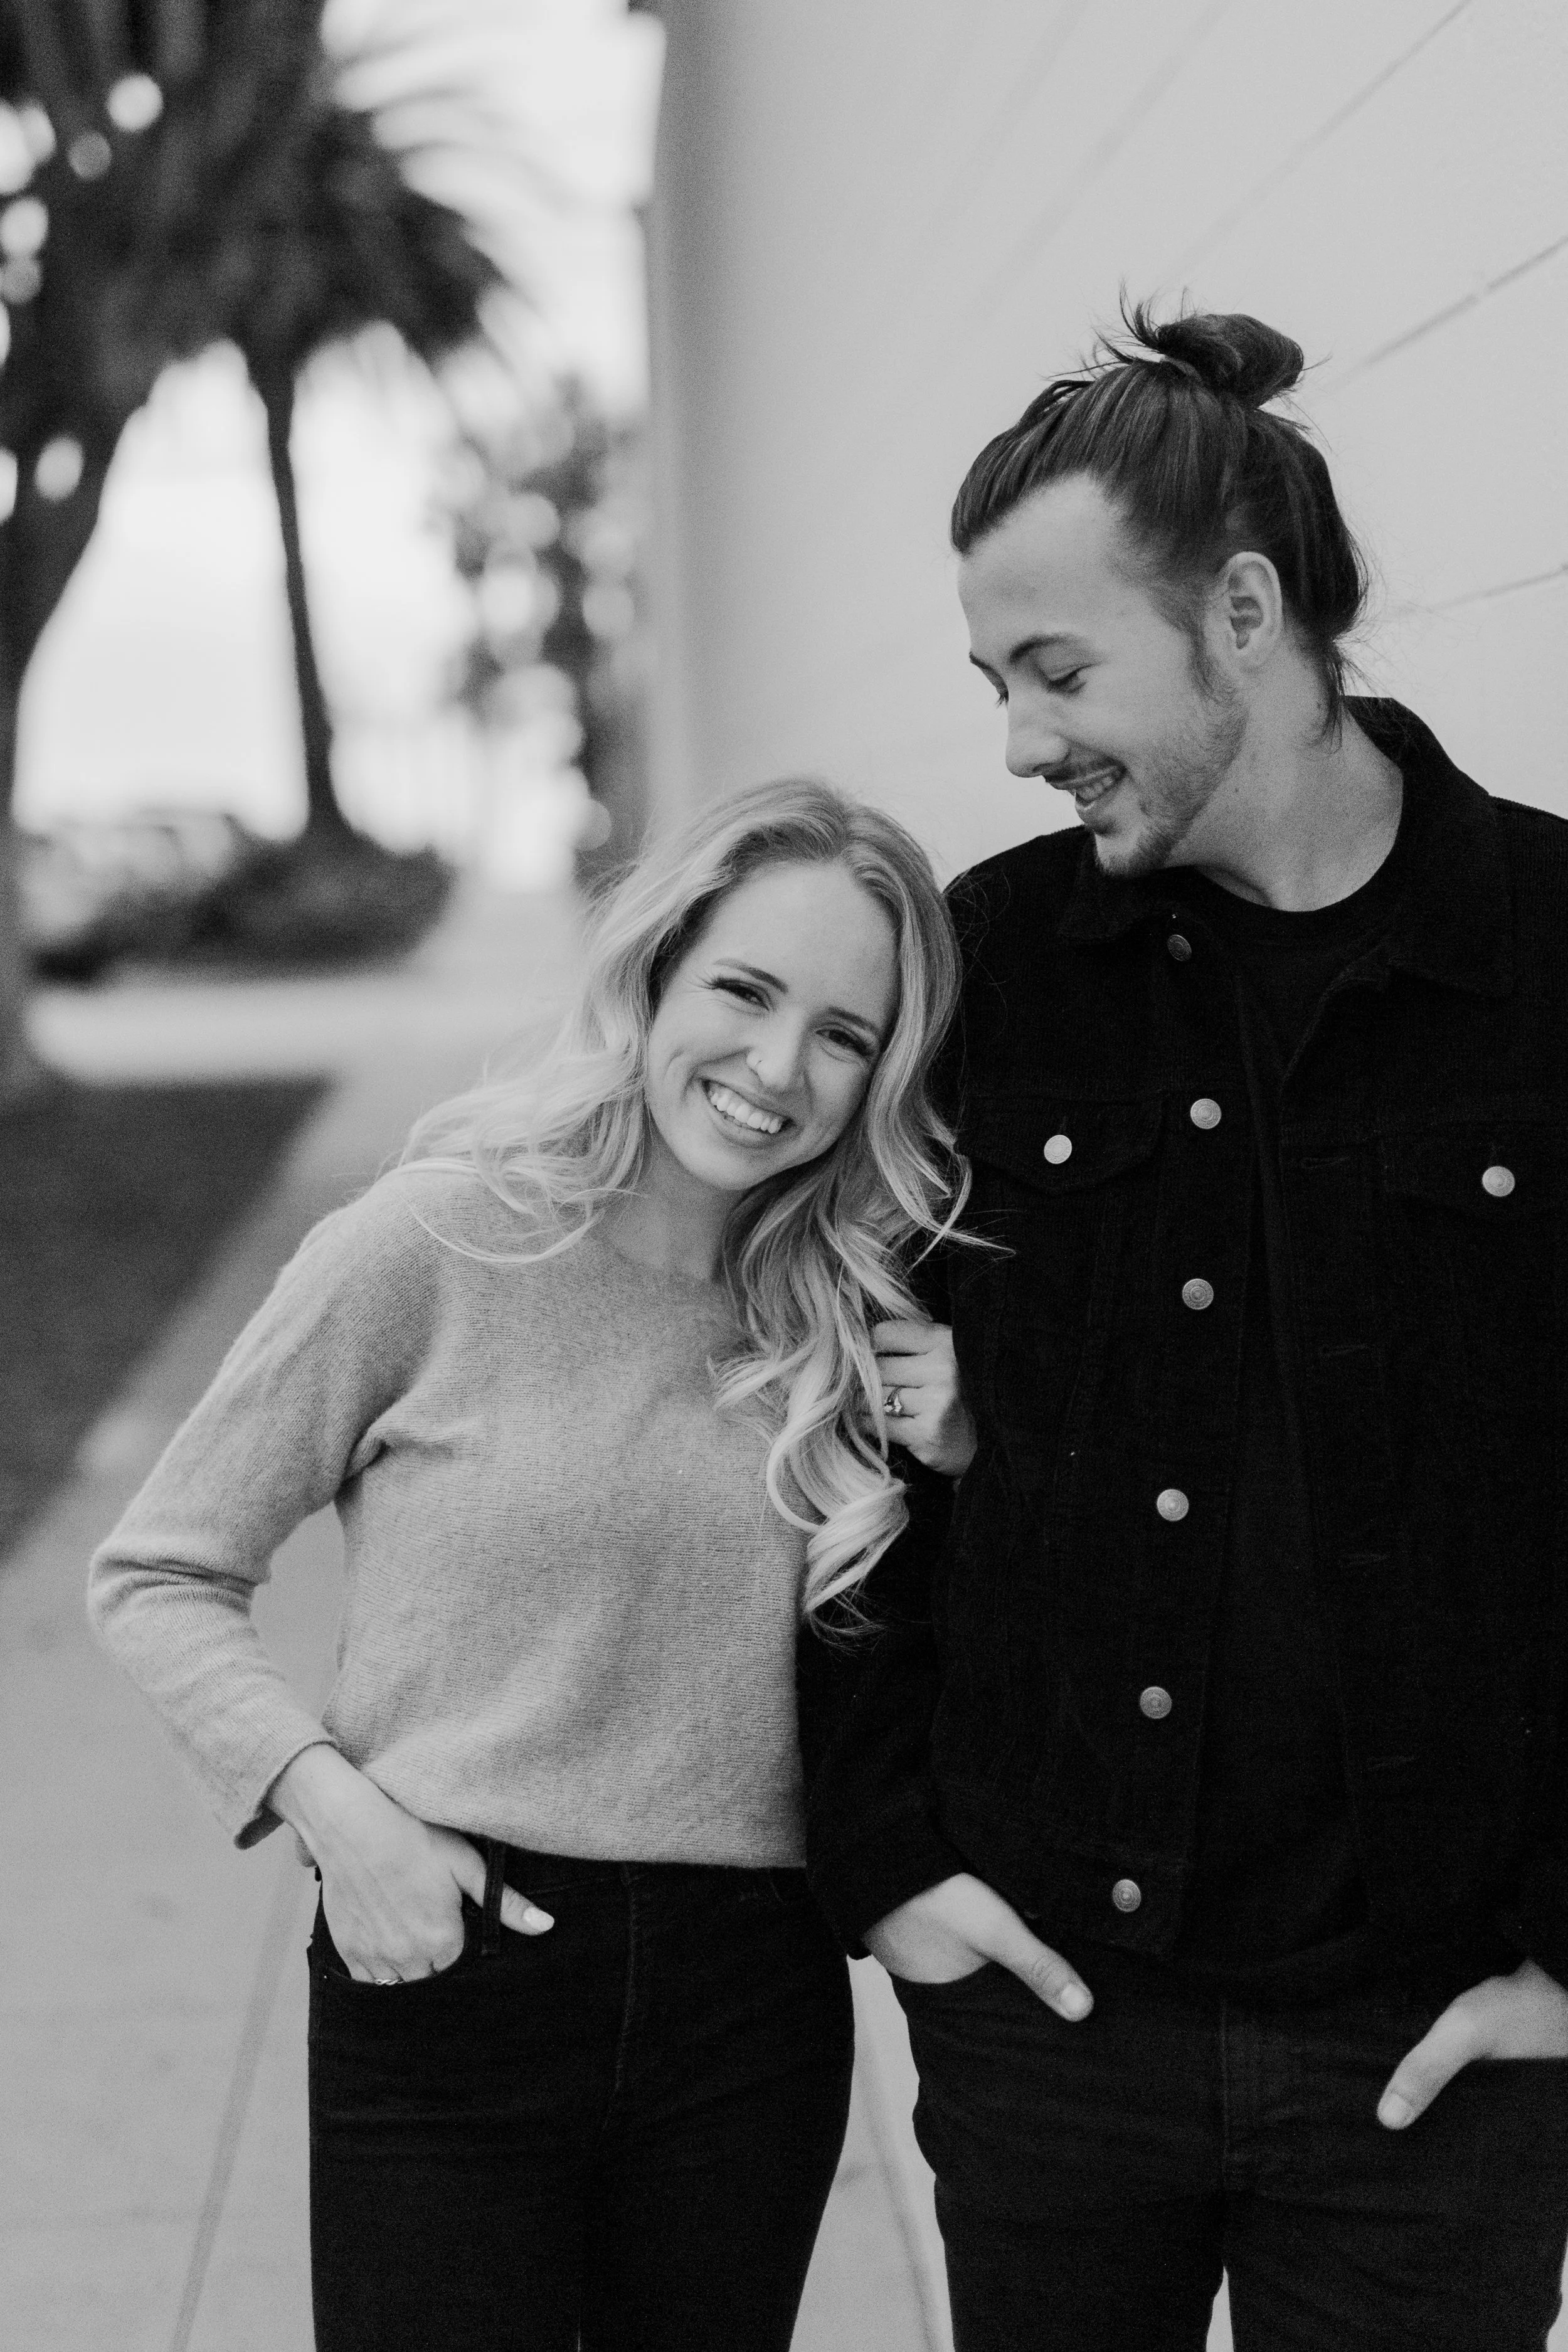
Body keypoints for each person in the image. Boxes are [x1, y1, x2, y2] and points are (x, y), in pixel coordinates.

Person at [800, 304, 1568, 2350]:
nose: (1020, 738)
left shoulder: (1555, 965)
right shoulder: (995, 966)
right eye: (995, 680)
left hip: (1441, 2068)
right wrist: (887, 1864)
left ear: (1243, 612)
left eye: (1057, 671)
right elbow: (840, 1439)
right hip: (1056, 2035)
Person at [88, 780, 975, 2352]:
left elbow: (946, 1657)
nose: (776, 1069)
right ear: (654, 971)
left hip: (747, 2010)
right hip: (451, 1968)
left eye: (844, 1034)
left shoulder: (845, 1319)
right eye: (745, 991)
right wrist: (334, 1810)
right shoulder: (430, 1244)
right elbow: (158, 1572)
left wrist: (961, 1459)